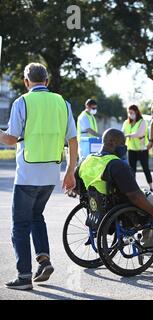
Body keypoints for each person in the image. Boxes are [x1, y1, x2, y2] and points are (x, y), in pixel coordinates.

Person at [0, 63, 78, 290]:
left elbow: (11, 139)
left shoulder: (22, 102)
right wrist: (70, 171)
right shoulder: (62, 103)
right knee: (36, 216)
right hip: (51, 174)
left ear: (26, 82)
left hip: (26, 174)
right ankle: (44, 260)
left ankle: (24, 277)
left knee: (20, 226)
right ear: (46, 81)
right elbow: (72, 140)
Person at [76, 128, 153, 257]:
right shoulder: (116, 164)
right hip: (128, 210)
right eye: (123, 143)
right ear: (112, 143)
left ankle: (150, 239)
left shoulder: (85, 161)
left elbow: (77, 188)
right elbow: (135, 196)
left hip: (101, 210)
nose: (124, 147)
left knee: (144, 194)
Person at [122, 105, 153, 191]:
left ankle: (151, 186)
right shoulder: (126, 123)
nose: (130, 114)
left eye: (132, 112)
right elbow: (122, 133)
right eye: (129, 112)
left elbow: (139, 134)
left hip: (142, 149)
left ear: (136, 112)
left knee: (145, 168)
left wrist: (128, 135)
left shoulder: (142, 122)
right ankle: (134, 188)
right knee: (132, 170)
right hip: (131, 149)